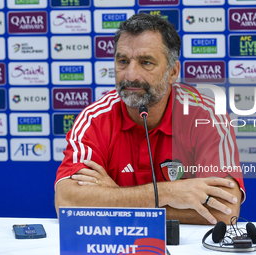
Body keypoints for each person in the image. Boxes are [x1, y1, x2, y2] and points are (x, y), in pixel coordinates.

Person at [54, 13, 245, 225]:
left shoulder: (207, 116)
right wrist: (168, 193)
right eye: (123, 61)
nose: (130, 75)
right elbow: (67, 202)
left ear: (173, 71)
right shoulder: (95, 119)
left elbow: (226, 210)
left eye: (146, 63)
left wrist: (115, 197)